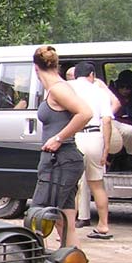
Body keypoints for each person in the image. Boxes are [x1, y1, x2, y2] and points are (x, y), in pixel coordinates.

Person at [30, 46, 92, 249]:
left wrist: (59, 138)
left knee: (37, 216)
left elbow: (85, 113)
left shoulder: (58, 89)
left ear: (35, 68)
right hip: (61, 160)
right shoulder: (56, 89)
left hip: (61, 160)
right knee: (65, 223)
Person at [69, 62, 115, 239]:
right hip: (95, 136)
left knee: (71, 185)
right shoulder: (100, 92)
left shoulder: (68, 88)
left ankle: (68, 228)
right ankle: (103, 226)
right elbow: (107, 121)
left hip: (75, 136)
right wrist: (106, 148)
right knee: (96, 183)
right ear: (91, 75)